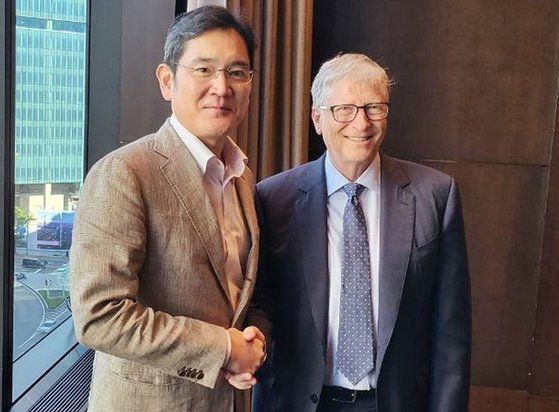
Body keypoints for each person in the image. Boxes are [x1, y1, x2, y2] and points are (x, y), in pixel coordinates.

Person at [243, 53, 471, 411]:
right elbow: (263, 301)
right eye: (344, 109)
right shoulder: (274, 198)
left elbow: (451, 333)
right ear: (317, 119)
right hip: (300, 402)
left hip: (395, 402)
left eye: (373, 108)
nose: (361, 123)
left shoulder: (435, 195)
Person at [70, 6, 265, 411]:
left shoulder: (243, 176)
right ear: (167, 80)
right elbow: (98, 315)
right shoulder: (124, 172)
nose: (221, 87)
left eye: (236, 72)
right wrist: (223, 348)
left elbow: (236, 295)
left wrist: (251, 340)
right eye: (203, 69)